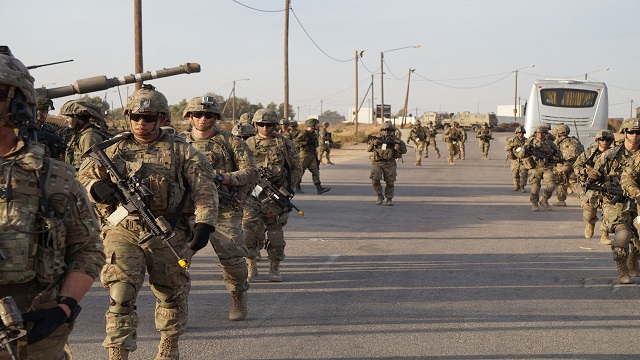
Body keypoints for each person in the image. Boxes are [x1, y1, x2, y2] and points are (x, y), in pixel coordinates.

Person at [78, 84, 218, 360]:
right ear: (127, 117)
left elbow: (205, 188)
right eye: (136, 117)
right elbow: (79, 180)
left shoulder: (182, 150)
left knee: (170, 294)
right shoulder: (112, 148)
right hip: (122, 229)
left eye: (149, 117)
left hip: (167, 232)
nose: (141, 123)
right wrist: (95, 187)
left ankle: (169, 344)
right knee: (120, 292)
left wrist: (205, 223)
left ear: (162, 119)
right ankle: (117, 352)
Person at [0, 50, 105, 360]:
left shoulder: (53, 178)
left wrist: (63, 307)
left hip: (30, 330)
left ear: (16, 102)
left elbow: (88, 249)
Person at [180, 96, 257, 321]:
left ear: (216, 118)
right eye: (198, 114)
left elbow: (251, 173)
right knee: (178, 260)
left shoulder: (231, 142)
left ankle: (238, 295)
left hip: (223, 208)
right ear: (190, 117)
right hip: (187, 210)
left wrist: (223, 178)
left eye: (209, 115)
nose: (203, 119)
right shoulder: (178, 143)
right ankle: (176, 309)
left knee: (232, 257)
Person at [243, 109, 303, 282]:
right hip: (253, 193)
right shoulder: (248, 144)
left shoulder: (285, 144)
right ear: (255, 125)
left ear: (275, 125)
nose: (265, 128)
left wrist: (287, 190)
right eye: (261, 124)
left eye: (269, 124)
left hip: (276, 193)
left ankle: (274, 268)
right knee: (247, 229)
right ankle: (251, 265)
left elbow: (296, 168)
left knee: (275, 231)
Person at [597, 118, 640, 284]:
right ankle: (622, 269)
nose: (635, 136)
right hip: (617, 201)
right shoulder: (610, 155)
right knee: (623, 235)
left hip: (638, 200)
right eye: (631, 132)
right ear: (625, 133)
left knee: (638, 240)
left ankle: (633, 259)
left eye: (638, 132)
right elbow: (594, 177)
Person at [574, 129, 615, 245]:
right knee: (588, 212)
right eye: (602, 139)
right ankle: (590, 223)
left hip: (609, 188)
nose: (605, 142)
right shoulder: (588, 154)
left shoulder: (615, 154)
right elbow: (576, 167)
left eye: (607, 140)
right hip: (593, 187)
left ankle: (604, 235)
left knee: (609, 213)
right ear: (597, 140)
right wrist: (586, 171)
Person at [59, 99, 111, 171]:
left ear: (78, 119)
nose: (65, 121)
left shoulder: (88, 137)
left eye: (67, 118)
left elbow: (91, 169)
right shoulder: (80, 134)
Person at [517, 125, 560, 211]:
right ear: (536, 134)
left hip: (546, 167)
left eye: (543, 133)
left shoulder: (550, 143)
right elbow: (521, 155)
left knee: (552, 184)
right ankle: (534, 203)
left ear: (546, 134)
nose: (540, 135)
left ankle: (544, 200)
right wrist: (525, 149)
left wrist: (552, 158)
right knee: (535, 187)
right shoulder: (530, 142)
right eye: (539, 133)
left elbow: (558, 154)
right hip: (534, 168)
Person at [367, 121, 407, 205]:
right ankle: (379, 195)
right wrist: (374, 144)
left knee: (390, 182)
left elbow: (404, 150)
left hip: (390, 163)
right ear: (382, 130)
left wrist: (397, 147)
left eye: (389, 130)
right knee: (375, 180)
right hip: (378, 162)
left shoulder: (396, 140)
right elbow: (368, 149)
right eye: (384, 130)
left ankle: (389, 198)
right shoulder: (377, 138)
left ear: (392, 131)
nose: (386, 132)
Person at [295, 118, 331, 194]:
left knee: (315, 171)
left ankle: (319, 188)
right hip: (304, 154)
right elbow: (296, 142)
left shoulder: (314, 133)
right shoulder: (304, 133)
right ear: (312, 125)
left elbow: (316, 144)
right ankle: (297, 186)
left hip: (312, 154)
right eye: (316, 125)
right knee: (300, 171)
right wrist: (305, 143)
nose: (318, 126)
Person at [551, 124, 584, 206]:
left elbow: (553, 153)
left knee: (561, 182)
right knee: (574, 182)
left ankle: (561, 201)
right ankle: (585, 198)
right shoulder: (575, 140)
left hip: (563, 165)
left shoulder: (557, 141)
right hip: (575, 164)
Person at [504, 126, 529, 192]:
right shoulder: (512, 141)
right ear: (516, 133)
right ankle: (516, 185)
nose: (521, 134)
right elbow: (506, 148)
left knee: (524, 174)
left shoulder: (527, 141)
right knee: (515, 174)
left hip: (524, 160)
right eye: (519, 132)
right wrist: (512, 144)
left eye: (522, 133)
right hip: (515, 160)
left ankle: (522, 187)